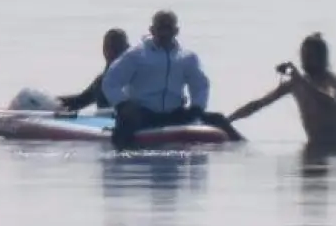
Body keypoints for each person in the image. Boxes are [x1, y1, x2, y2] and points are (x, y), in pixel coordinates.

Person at [101, 9, 244, 149]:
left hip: (174, 113)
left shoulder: (187, 58)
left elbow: (200, 86)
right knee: (125, 127)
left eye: (168, 28)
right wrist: (122, 104)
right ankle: (119, 160)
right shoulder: (136, 55)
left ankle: (245, 152)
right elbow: (110, 82)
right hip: (143, 113)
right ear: (152, 30)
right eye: (160, 28)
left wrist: (197, 106)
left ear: (176, 31)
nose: (164, 32)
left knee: (217, 119)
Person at [227, 32, 336, 149]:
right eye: (303, 55)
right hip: (313, 146)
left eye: (309, 56)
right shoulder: (296, 84)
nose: (304, 60)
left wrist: (300, 80)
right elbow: (260, 103)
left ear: (321, 58)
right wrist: (229, 119)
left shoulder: (334, 80)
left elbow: (330, 101)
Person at [55, 28, 131, 112]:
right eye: (108, 47)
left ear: (127, 48)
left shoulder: (136, 78)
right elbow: (79, 101)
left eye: (117, 47)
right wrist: (46, 101)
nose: (111, 51)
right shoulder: (101, 81)